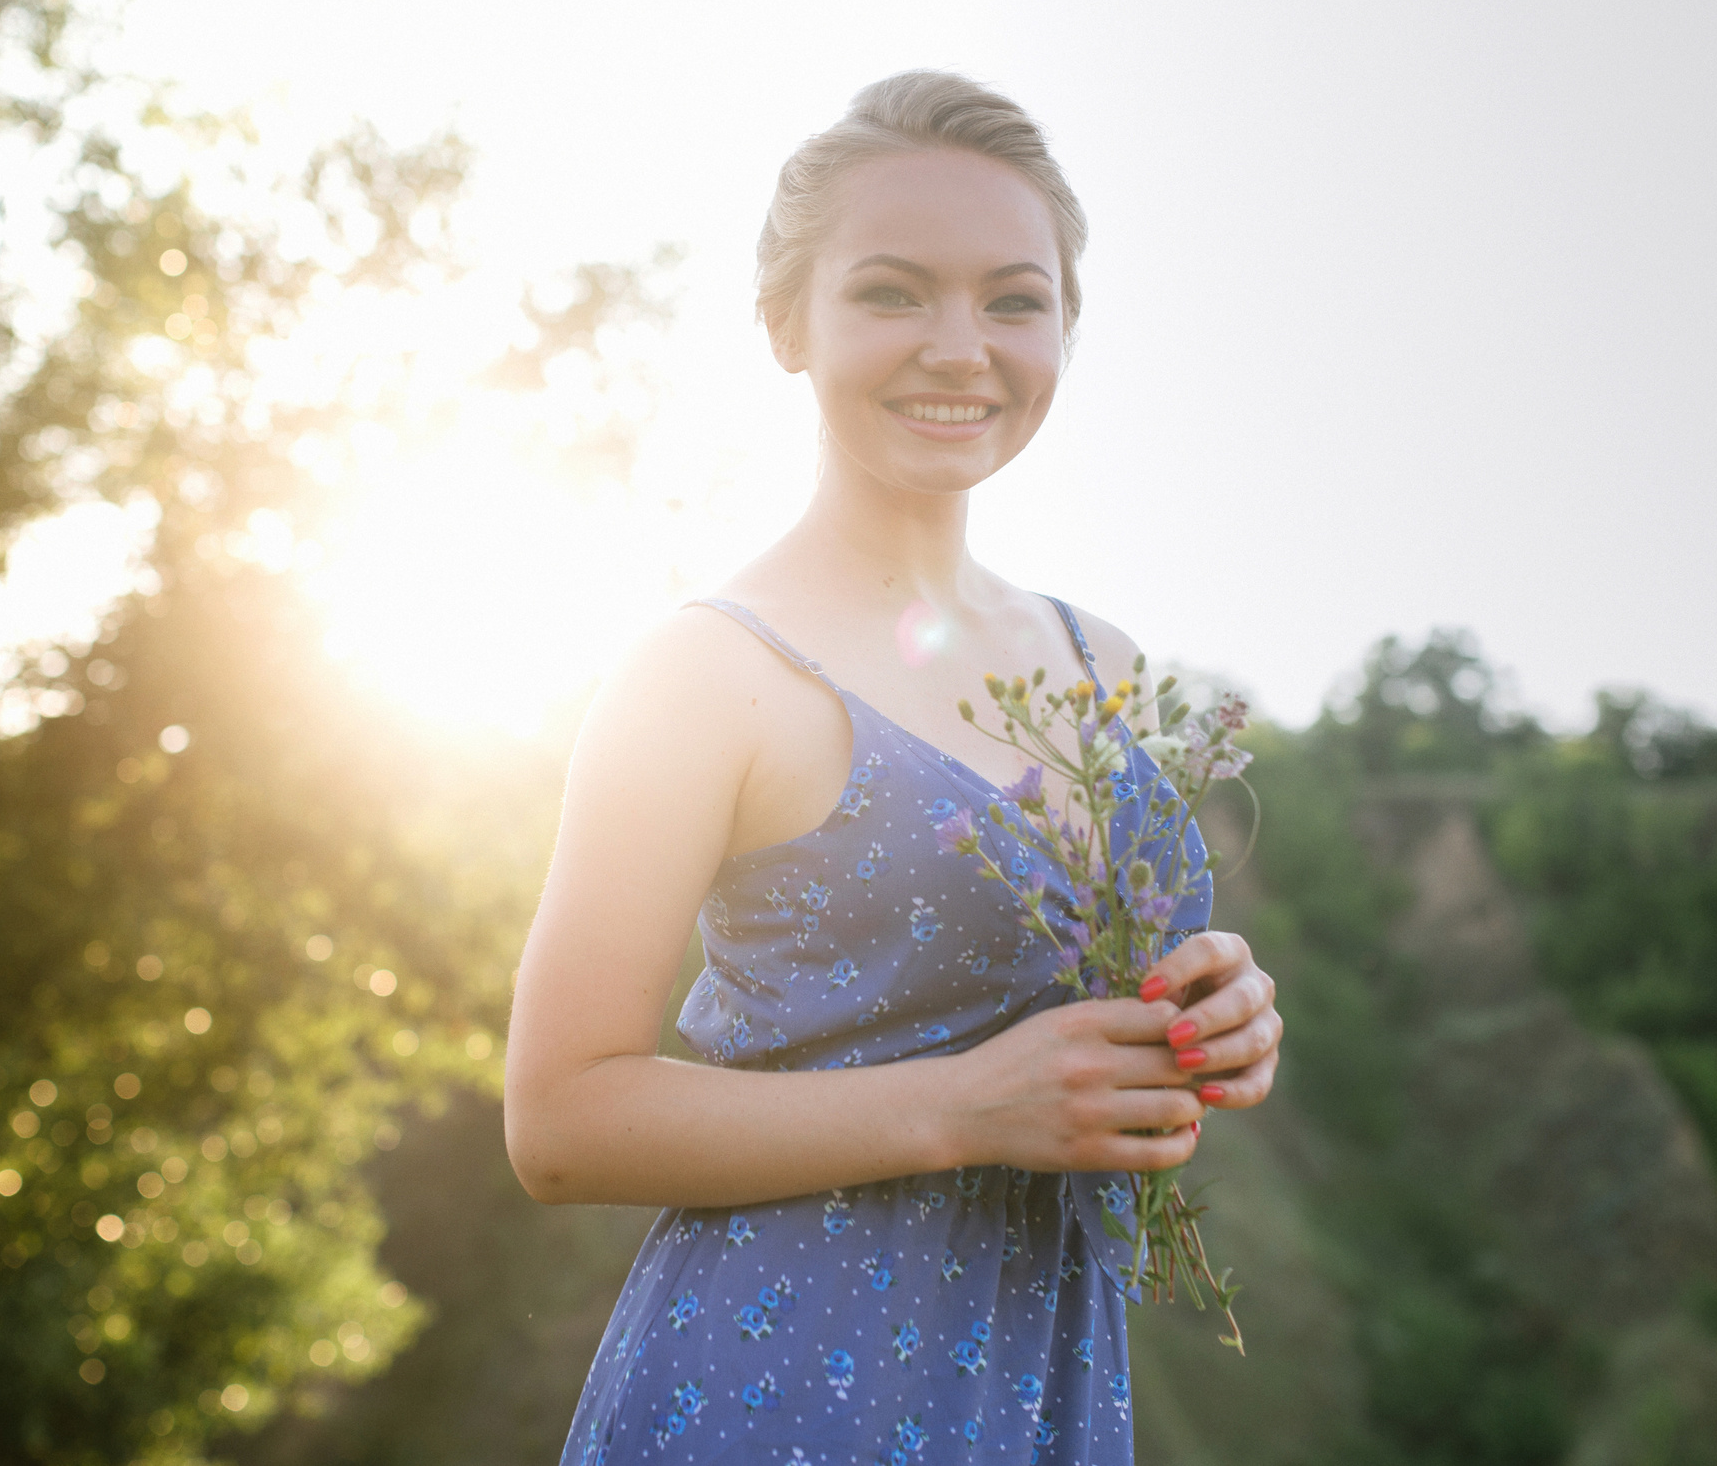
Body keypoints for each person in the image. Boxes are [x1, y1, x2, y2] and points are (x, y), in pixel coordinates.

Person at [505, 71, 1284, 1463]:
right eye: (891, 292)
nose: (959, 345)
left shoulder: (1092, 655)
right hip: (777, 1393)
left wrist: (1215, 1018)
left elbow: (1086, 1042)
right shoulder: (705, 672)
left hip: (1041, 1379)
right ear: (784, 322)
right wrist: (962, 1106)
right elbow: (559, 1120)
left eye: (1012, 298)